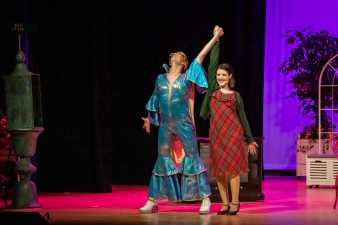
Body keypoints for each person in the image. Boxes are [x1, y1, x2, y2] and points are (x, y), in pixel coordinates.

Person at [140, 26, 224, 214]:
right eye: (173, 54)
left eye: (180, 55)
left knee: (193, 158)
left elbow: (201, 56)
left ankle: (205, 199)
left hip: (183, 123)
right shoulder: (160, 78)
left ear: (184, 62)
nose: (175, 55)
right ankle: (152, 200)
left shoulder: (186, 78)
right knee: (162, 158)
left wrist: (215, 37)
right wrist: (148, 118)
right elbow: (155, 98)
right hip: (165, 125)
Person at [200, 26, 258, 215]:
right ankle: (224, 204)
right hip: (217, 136)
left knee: (233, 170)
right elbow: (211, 64)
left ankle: (235, 203)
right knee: (219, 171)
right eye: (218, 75)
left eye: (224, 75)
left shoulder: (235, 96)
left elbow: (244, 118)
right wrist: (216, 40)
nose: (220, 77)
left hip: (233, 135)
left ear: (230, 77)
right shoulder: (212, 93)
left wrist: (250, 140)